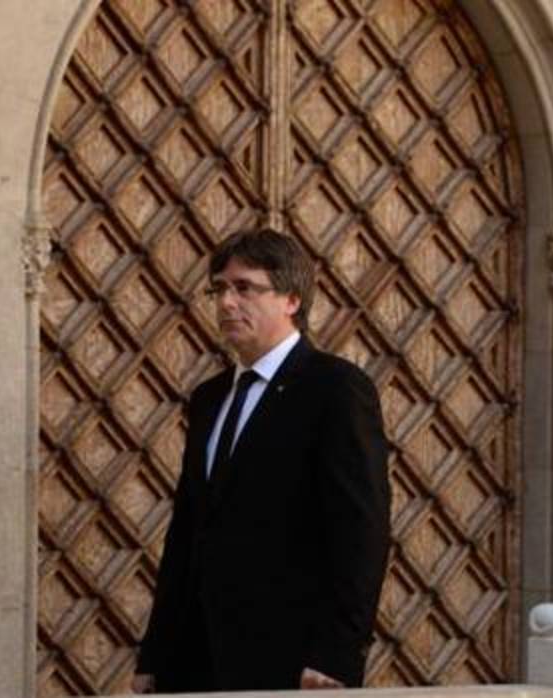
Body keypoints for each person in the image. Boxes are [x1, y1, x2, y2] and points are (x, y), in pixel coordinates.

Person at [132, 228, 391, 692]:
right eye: (218, 289)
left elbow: (361, 531)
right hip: (196, 660)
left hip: (290, 658)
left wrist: (337, 653)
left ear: (291, 299)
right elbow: (188, 531)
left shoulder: (335, 388)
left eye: (244, 288)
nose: (226, 303)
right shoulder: (210, 398)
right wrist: (156, 653)